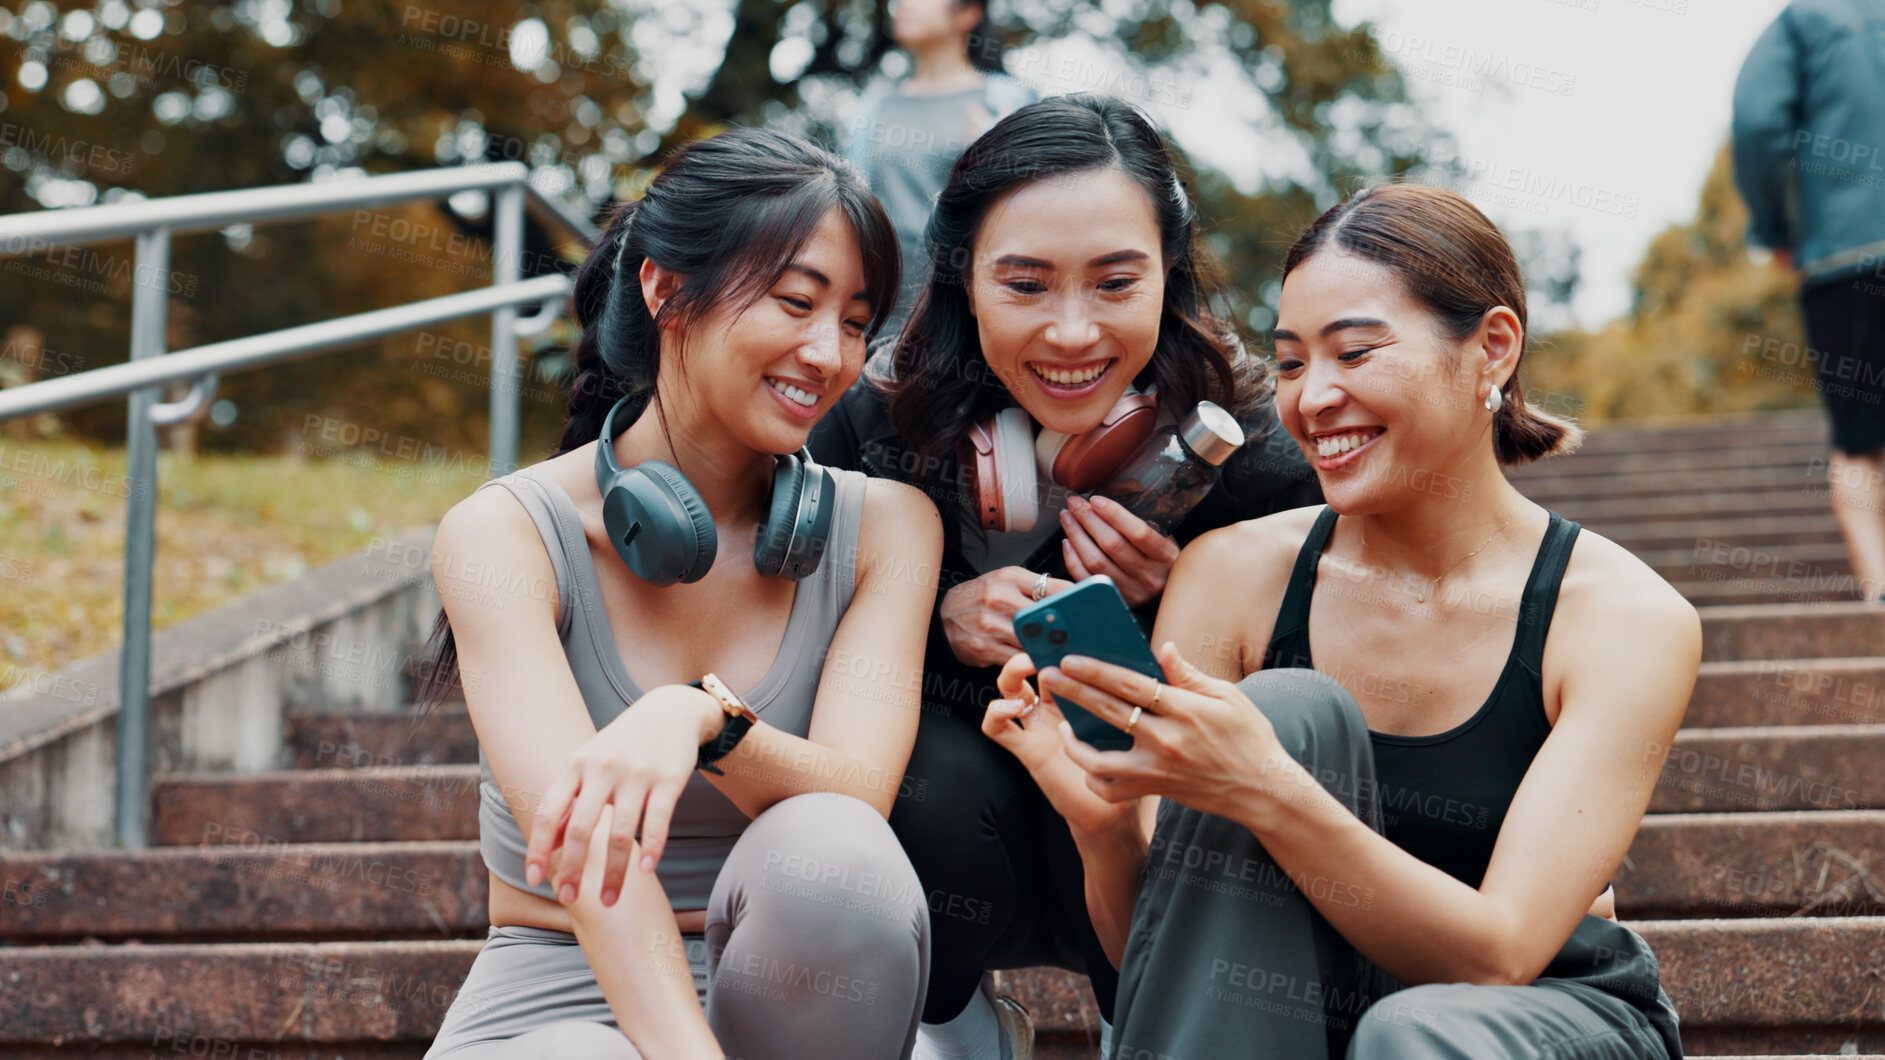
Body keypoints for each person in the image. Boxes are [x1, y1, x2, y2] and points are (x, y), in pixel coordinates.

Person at [983, 183, 1700, 1058]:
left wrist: (1262, 788)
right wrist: (1100, 826)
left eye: (1354, 352)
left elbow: (1501, 951)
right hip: (1294, 1009)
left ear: (1494, 349)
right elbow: (1176, 957)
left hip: (1537, 1016)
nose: (1311, 398)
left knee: (1412, 1033)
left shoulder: (1622, 618)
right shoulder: (1235, 574)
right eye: (1288, 363)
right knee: (1288, 710)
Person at [810, 94, 1322, 1059]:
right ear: (962, 280)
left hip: (1149, 847)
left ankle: (1154, 1016)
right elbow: (772, 625)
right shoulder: (870, 424)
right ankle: (946, 1025)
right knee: (924, 775)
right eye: (1028, 285)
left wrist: (1197, 590)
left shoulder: (1251, 454)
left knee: (1121, 760)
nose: (1074, 334)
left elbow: (1322, 689)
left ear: (1168, 275)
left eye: (1115, 283)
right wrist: (923, 610)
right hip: (950, 840)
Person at [416, 127, 945, 1060]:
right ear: (665, 290)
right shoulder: (504, 533)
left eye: (857, 321)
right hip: (560, 983)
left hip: (808, 993)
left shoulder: (889, 527)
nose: (827, 354)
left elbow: (858, 793)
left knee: (838, 852)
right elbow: (586, 862)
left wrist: (701, 720)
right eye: (794, 302)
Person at [1732, 0, 1885, 602]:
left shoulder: (1801, 22)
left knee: (1858, 443)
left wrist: (1773, 229)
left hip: (1843, 257)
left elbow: (1755, 122)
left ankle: (1879, 594)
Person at [846, 0, 1035, 334]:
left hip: (965, 310)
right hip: (881, 308)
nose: (903, 5)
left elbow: (1029, 211)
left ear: (967, 14)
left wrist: (984, 157)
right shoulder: (873, 107)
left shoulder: (1007, 102)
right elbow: (853, 206)